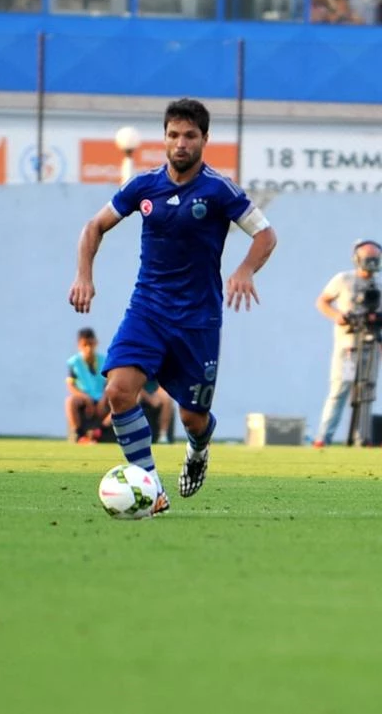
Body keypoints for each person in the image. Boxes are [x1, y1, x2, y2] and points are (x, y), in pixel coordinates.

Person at [69, 98, 277, 515]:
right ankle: (153, 488)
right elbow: (95, 225)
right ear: (164, 138)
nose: (180, 143)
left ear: (204, 140)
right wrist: (84, 275)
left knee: (192, 418)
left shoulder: (220, 190)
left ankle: (199, 448)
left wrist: (246, 270)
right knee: (118, 391)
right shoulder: (143, 187)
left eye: (190, 136)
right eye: (173, 135)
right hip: (147, 310)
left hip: (198, 319)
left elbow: (265, 235)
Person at [313, 240, 382, 447]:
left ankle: (363, 438)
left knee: (366, 392)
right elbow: (322, 301)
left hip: (372, 346)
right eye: (368, 259)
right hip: (348, 346)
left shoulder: (378, 285)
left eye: (375, 259)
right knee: (339, 390)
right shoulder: (343, 280)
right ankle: (323, 437)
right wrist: (338, 316)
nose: (371, 263)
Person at [66, 328, 174, 444]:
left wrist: (103, 399)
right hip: (85, 397)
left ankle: (101, 430)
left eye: (91, 344)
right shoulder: (73, 362)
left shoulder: (103, 359)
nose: (88, 349)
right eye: (85, 345)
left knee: (122, 398)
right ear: (79, 345)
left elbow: (109, 382)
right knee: (70, 401)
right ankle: (79, 435)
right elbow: (71, 385)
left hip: (104, 396)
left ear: (96, 343)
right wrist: (86, 398)